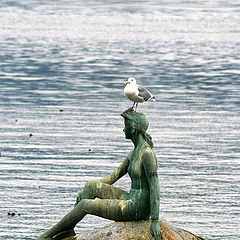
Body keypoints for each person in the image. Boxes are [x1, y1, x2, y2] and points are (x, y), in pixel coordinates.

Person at [37, 109, 162, 240]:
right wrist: (89, 188)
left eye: (126, 126)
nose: (123, 130)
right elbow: (113, 176)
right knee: (91, 185)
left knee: (85, 205)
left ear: (133, 129)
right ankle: (68, 229)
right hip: (131, 197)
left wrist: (154, 220)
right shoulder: (133, 153)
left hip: (138, 207)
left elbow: (155, 187)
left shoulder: (147, 153)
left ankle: (46, 236)